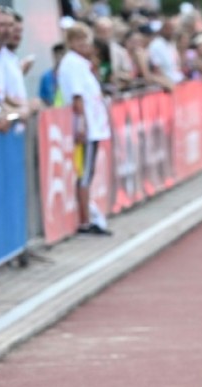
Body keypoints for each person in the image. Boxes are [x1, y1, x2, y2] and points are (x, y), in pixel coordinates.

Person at [57, 22, 113, 236]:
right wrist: (82, 125)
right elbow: (77, 97)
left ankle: (88, 216)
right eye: (78, 40)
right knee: (85, 172)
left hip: (94, 126)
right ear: (70, 42)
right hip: (86, 128)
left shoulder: (83, 63)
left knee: (87, 172)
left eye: (85, 40)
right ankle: (85, 221)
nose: (84, 44)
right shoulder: (72, 64)